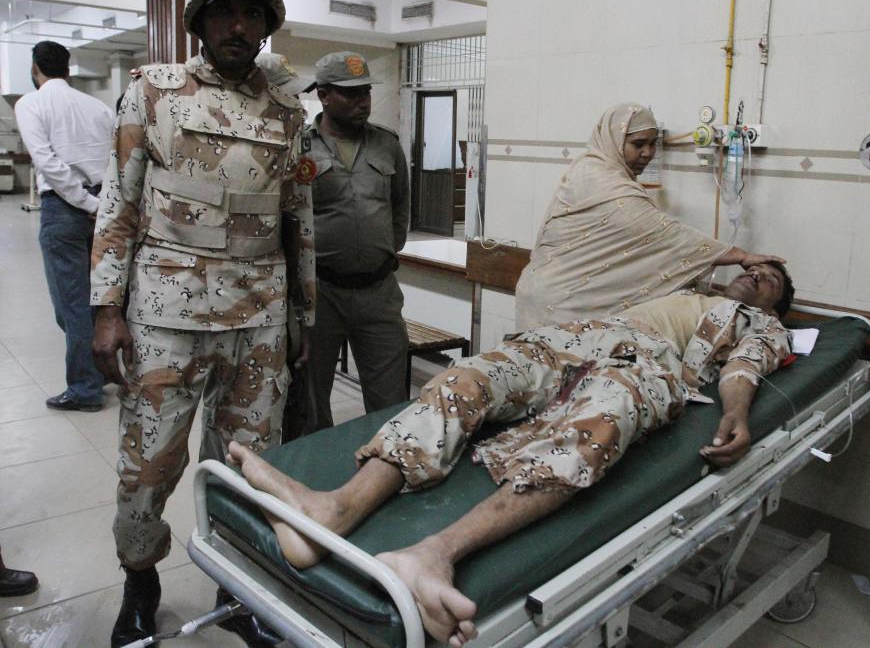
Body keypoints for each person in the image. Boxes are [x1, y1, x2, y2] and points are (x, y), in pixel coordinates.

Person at [229, 261, 795, 646]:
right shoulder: (684, 287)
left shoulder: (762, 326)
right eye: (750, 268)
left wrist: (736, 414)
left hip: (649, 367)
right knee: (469, 378)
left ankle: (435, 552)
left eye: (768, 278)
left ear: (779, 304)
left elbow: (743, 370)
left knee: (596, 429)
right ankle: (338, 508)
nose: (753, 276)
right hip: (580, 338)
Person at [88, 0, 315, 647]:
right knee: (149, 464)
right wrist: (105, 310)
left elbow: (297, 217)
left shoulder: (286, 109)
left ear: (267, 27)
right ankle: (140, 582)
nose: (239, 26)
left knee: (250, 464)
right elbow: (119, 204)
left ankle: (238, 586)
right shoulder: (153, 93)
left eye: (252, 14)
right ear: (199, 21)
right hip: (167, 317)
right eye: (225, 11)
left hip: (262, 317)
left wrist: (302, 312)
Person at [514, 103, 784, 330]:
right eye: (638, 144)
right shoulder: (597, 177)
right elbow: (662, 233)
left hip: (553, 294)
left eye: (653, 144)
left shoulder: (605, 174)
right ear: (614, 140)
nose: (648, 153)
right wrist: (738, 255)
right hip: (558, 302)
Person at [295, 51, 411, 437]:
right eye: (351, 93)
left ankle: (385, 477)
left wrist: (382, 253)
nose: (363, 101)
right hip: (320, 293)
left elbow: (399, 206)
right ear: (324, 95)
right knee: (311, 400)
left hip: (378, 292)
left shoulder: (387, 145)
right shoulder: (300, 147)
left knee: (391, 401)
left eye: (365, 92)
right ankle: (317, 483)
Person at [14, 40, 114, 412]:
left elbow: (47, 163)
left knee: (72, 306)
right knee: (94, 302)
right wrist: (101, 204)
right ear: (68, 69)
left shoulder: (31, 103)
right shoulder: (98, 107)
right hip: (100, 208)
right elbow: (115, 158)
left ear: (35, 68)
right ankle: (100, 370)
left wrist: (87, 203)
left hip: (67, 210)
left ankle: (86, 389)